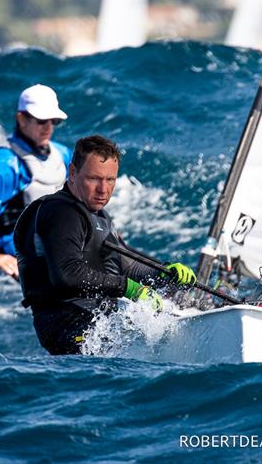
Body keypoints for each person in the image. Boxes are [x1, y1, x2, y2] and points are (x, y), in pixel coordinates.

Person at [14, 135, 197, 355]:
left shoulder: (99, 217)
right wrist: (129, 288)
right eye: (94, 178)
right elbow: (67, 275)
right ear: (72, 172)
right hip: (67, 327)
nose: (103, 189)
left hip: (97, 325)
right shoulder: (60, 212)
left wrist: (166, 274)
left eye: (110, 180)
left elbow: (128, 266)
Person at [0, 84, 72, 279]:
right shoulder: (5, 163)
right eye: (42, 120)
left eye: (54, 121)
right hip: (23, 250)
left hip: (57, 242)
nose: (48, 127)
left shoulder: (62, 154)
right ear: (21, 119)